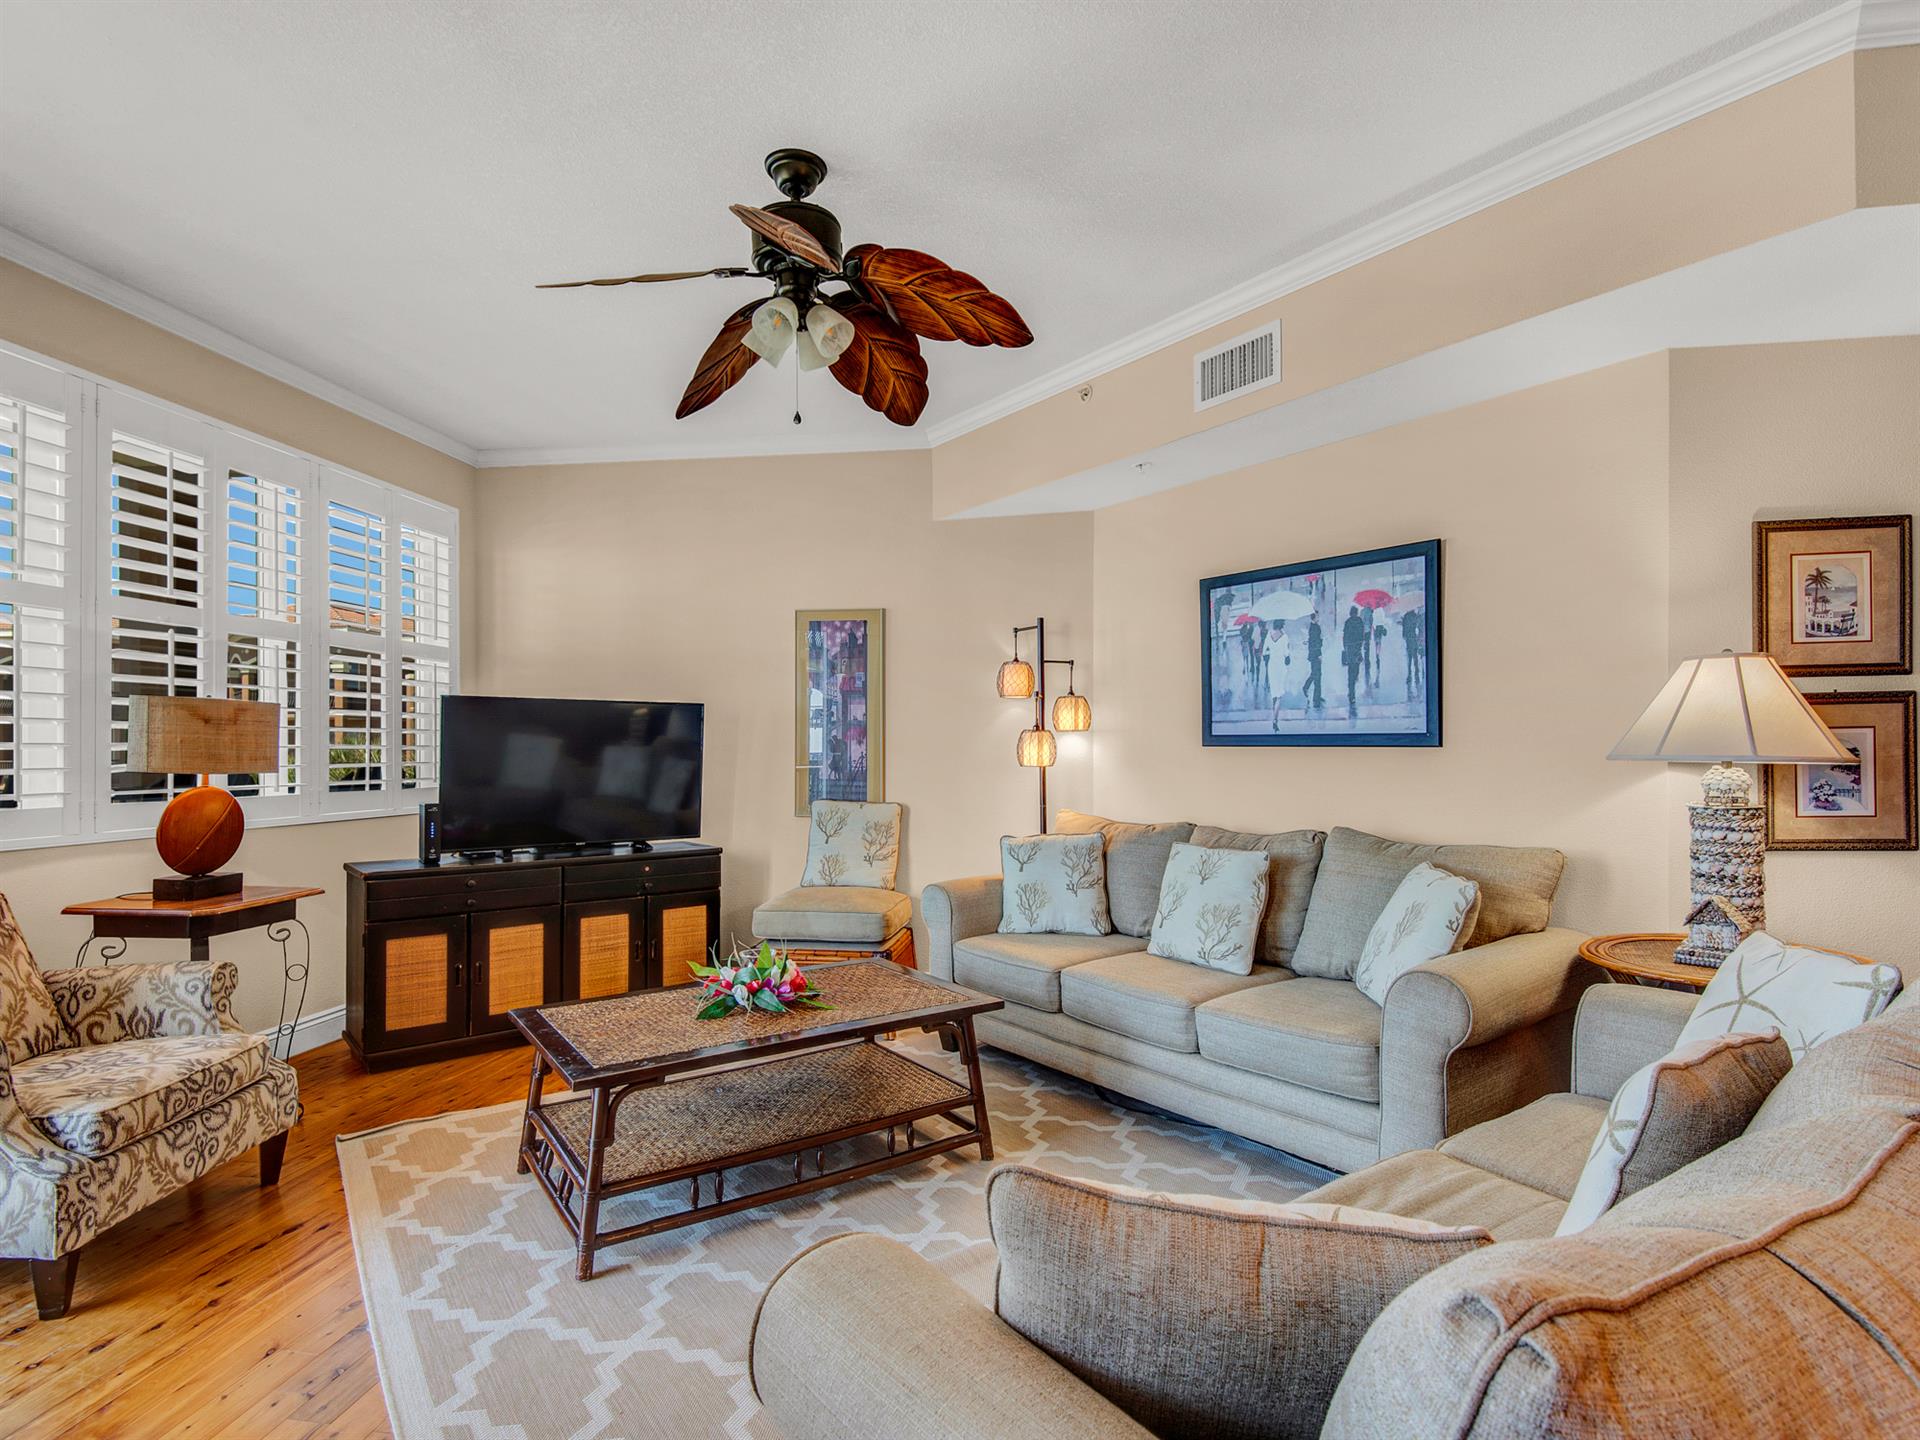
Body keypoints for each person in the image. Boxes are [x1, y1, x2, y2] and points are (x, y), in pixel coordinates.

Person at [1265, 621, 1293, 731]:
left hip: (1271, 666)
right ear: (1282, 625)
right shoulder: (1284, 636)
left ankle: (1274, 716)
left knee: (1274, 694)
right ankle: (1275, 721)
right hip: (1280, 667)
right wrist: (1287, 648)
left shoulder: (1269, 634)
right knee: (1279, 695)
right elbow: (1286, 654)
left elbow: (1265, 651)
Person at [1341, 604, 1367, 716]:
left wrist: (1345, 647)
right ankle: (1353, 688)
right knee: (1355, 669)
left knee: (1350, 672)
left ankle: (1351, 693)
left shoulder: (1347, 622)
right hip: (1356, 649)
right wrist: (1361, 646)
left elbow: (1344, 636)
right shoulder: (1360, 621)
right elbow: (1362, 636)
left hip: (1349, 649)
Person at [1400, 608, 1423, 694]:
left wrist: (1404, 635)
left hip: (1408, 637)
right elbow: (1417, 625)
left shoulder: (1406, 616)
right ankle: (1416, 670)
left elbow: (1404, 627)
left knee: (1409, 654)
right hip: (1414, 636)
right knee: (1415, 654)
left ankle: (1409, 671)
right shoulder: (1415, 616)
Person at [1306, 614, 1325, 710]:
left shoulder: (1313, 627)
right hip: (1316, 655)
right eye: (1318, 616)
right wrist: (1319, 654)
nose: (1319, 618)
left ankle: (1314, 693)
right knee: (1317, 675)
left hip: (1313, 655)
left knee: (1316, 674)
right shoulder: (1315, 628)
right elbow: (1316, 643)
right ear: (1314, 618)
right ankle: (1316, 698)